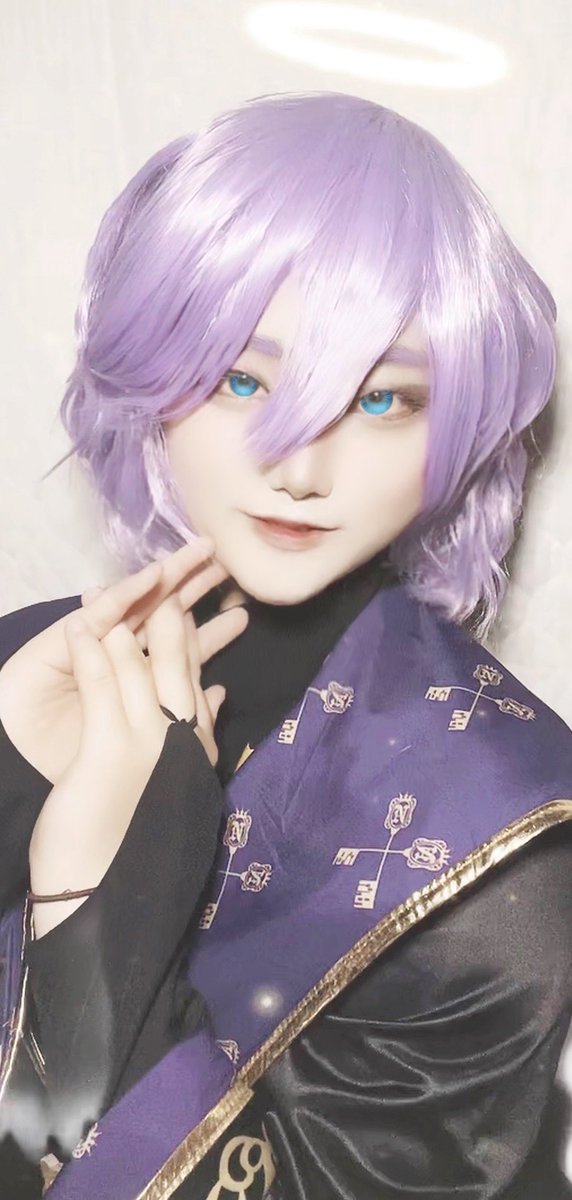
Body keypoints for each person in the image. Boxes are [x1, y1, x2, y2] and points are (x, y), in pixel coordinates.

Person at [0, 90, 571, 1200]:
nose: (300, 468)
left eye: (382, 401)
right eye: (241, 381)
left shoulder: (502, 828)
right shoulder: (37, 662)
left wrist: (94, 914)